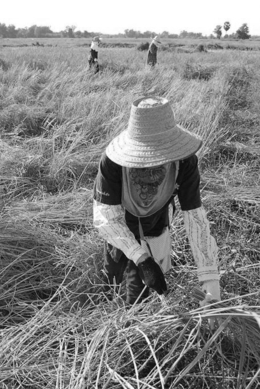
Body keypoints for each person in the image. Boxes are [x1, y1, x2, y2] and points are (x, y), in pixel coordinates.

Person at [93, 96, 221, 305]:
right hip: (121, 228)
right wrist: (141, 259)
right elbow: (106, 217)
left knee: (138, 299)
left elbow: (195, 218)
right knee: (112, 278)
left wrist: (210, 280)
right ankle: (107, 306)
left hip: (156, 227)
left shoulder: (184, 162)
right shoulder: (112, 163)